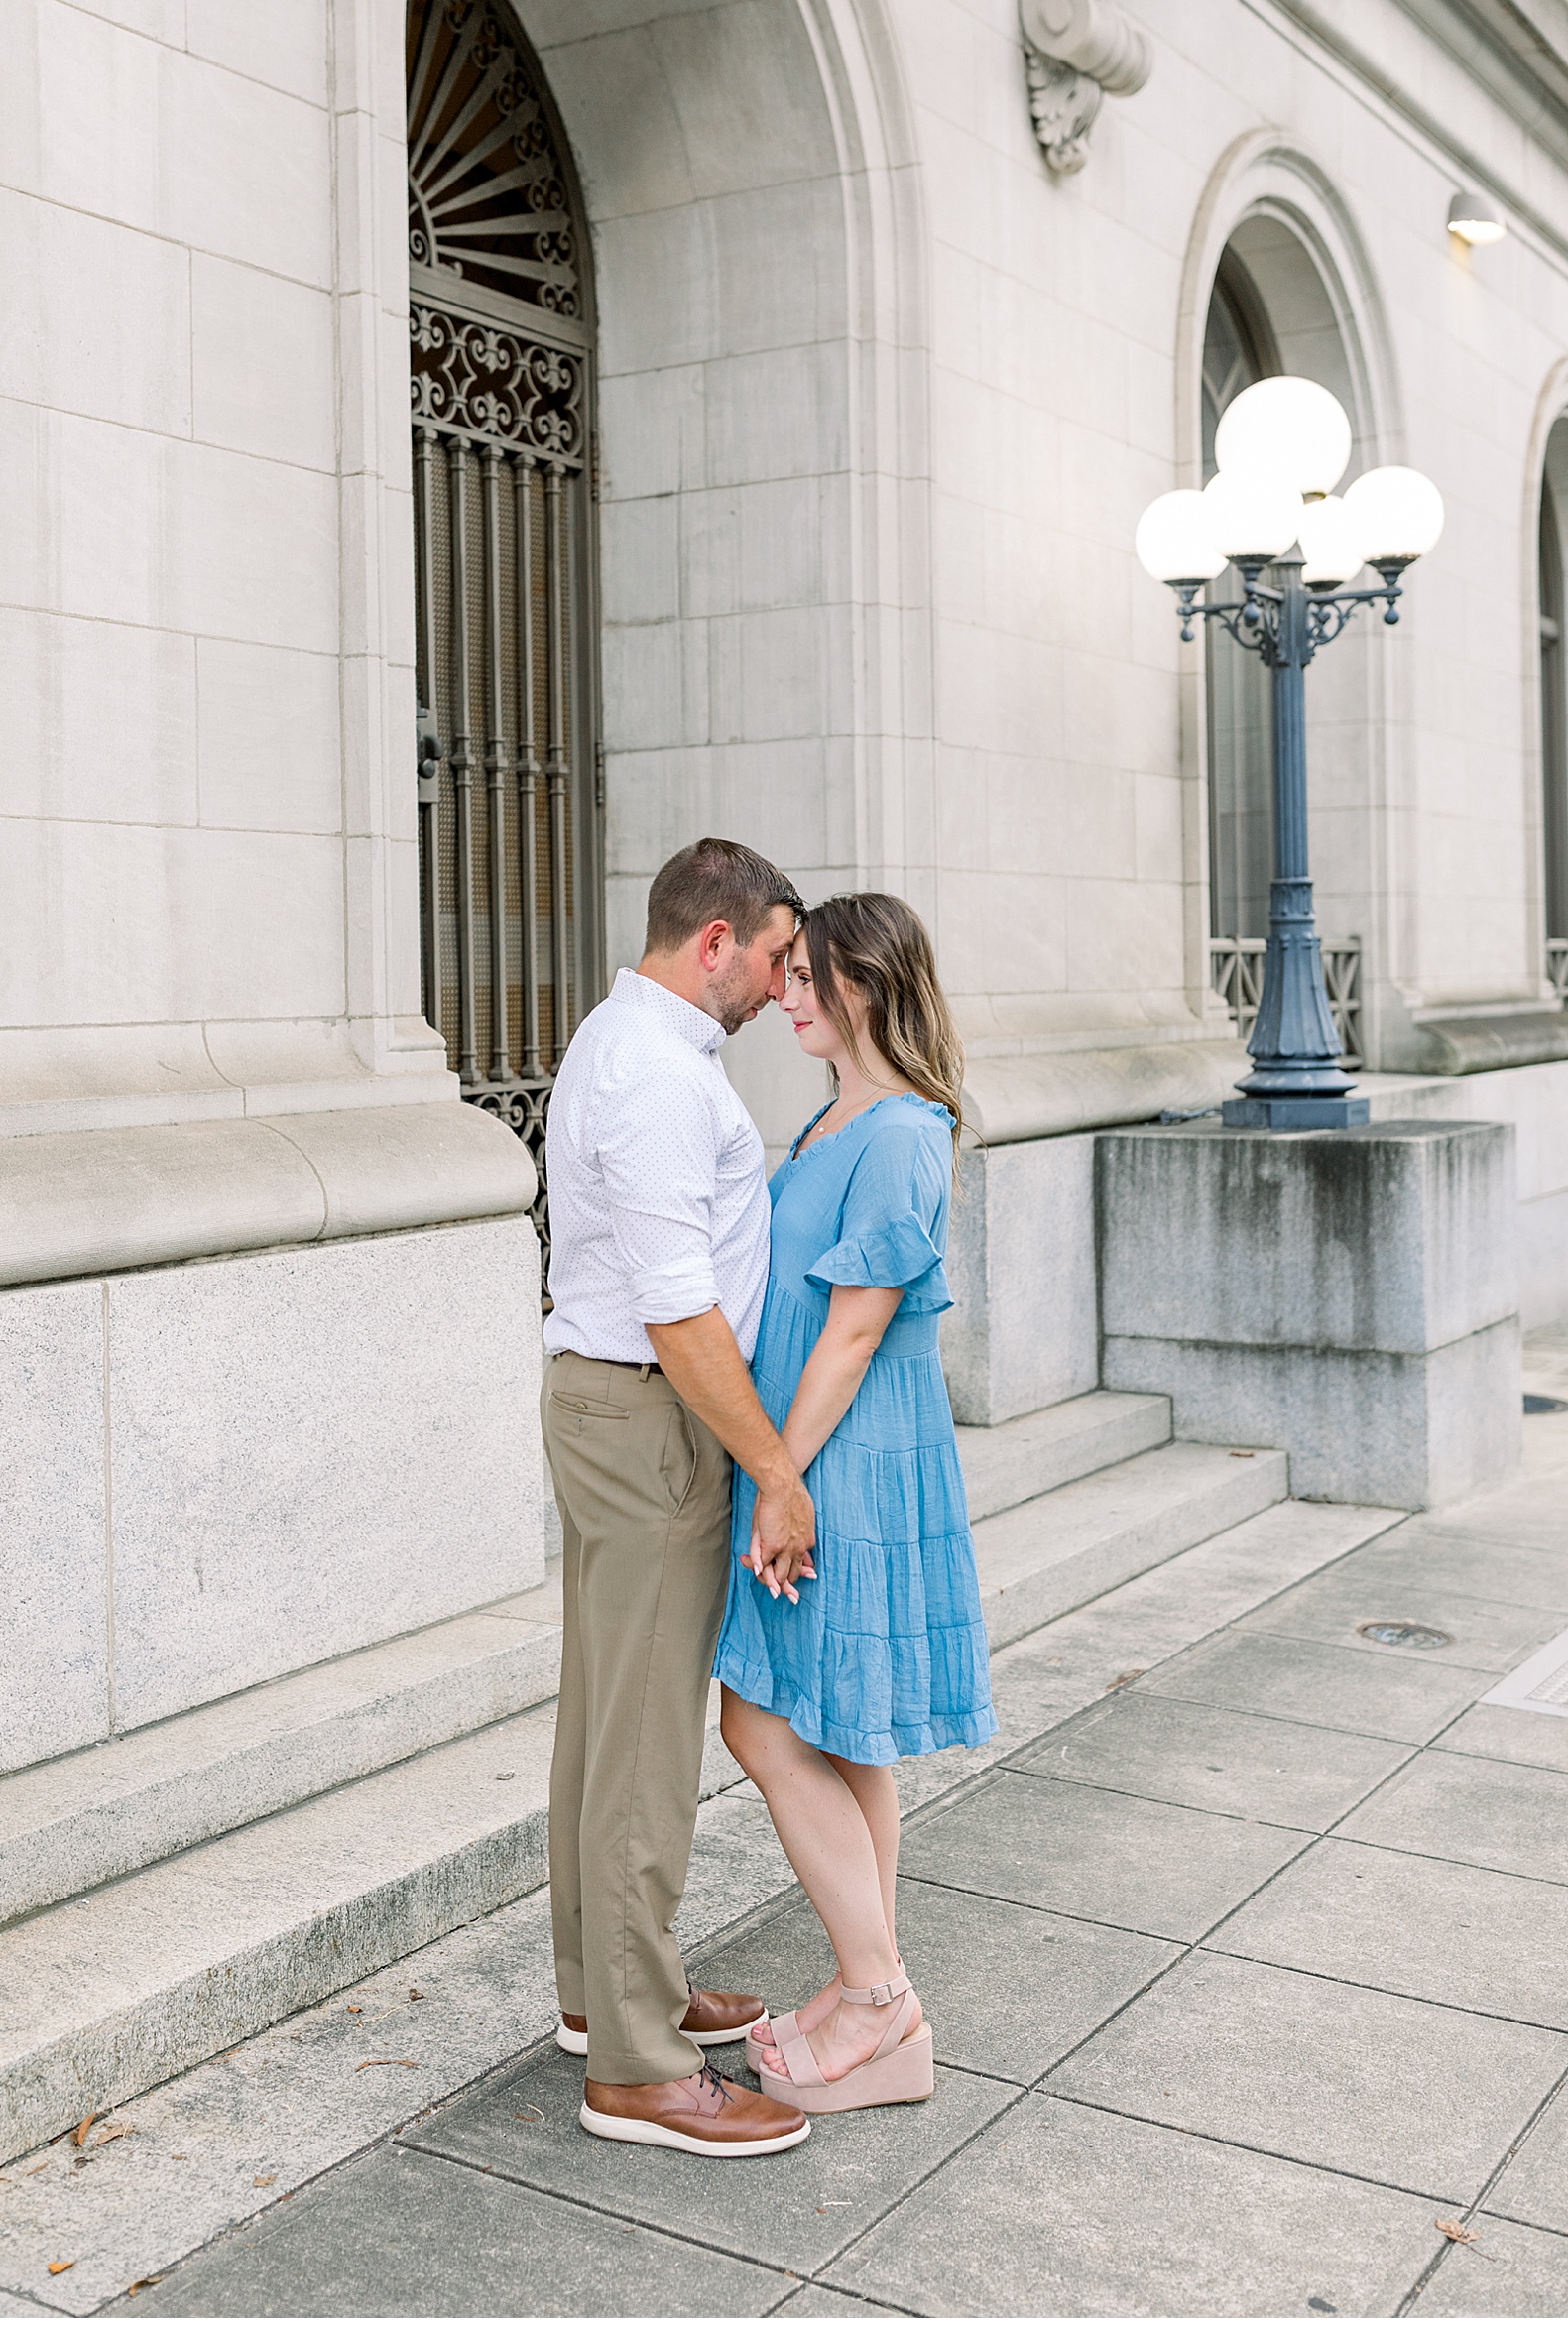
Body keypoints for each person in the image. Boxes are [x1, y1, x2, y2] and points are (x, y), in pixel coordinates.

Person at [541, 838, 818, 2158]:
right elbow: (678, 1304)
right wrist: (772, 1464)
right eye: (773, 956)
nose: (781, 984)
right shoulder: (655, 1075)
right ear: (714, 941)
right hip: (653, 1416)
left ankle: (610, 1998)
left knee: (607, 1721)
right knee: (646, 1740)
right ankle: (644, 2068)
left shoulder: (628, 1042)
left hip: (619, 1406)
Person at [715, 892, 997, 2115]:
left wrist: (782, 1480)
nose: (785, 994)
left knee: (759, 1722)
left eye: (806, 977)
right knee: (838, 1729)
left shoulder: (899, 1132)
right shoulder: (840, 1116)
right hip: (815, 1454)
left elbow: (857, 1325)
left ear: (864, 985)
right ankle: (867, 1988)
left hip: (843, 1463)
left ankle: (880, 1997)